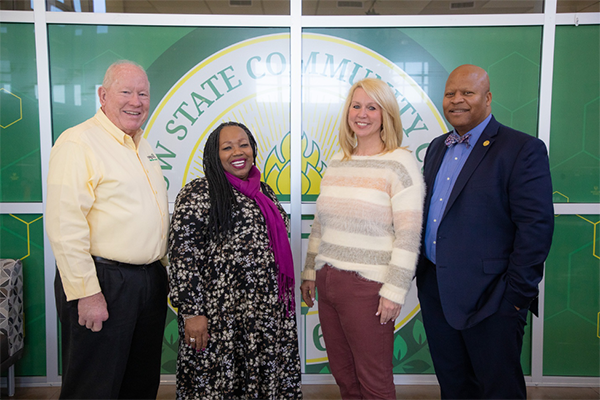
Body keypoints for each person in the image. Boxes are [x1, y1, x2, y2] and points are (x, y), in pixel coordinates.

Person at [416, 64, 554, 400]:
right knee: (455, 386)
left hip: (492, 298)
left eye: (468, 93)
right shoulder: (437, 147)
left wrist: (514, 299)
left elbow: (535, 227)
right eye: (450, 93)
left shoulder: (521, 149)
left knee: (498, 390)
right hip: (438, 292)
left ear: (488, 98)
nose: (457, 100)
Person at [46, 60, 169, 400]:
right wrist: (87, 291)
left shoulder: (142, 146)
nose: (136, 101)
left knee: (140, 382)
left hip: (147, 281)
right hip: (103, 282)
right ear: (102, 96)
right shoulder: (79, 142)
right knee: (94, 385)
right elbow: (64, 223)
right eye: (126, 92)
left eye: (143, 93)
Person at [300, 78, 425, 400]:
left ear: (387, 114)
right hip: (328, 283)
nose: (362, 114)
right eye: (356, 106)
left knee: (374, 382)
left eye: (372, 107)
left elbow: (409, 236)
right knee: (344, 376)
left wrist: (394, 292)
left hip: (368, 289)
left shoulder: (400, 163)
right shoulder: (337, 161)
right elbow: (320, 225)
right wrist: (310, 273)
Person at [168, 121, 302, 399]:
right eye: (226, 147)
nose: (237, 152)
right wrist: (192, 312)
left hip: (265, 316)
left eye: (243, 144)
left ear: (253, 148)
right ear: (213, 156)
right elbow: (183, 255)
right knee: (218, 384)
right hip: (220, 317)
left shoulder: (264, 193)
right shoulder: (199, 193)